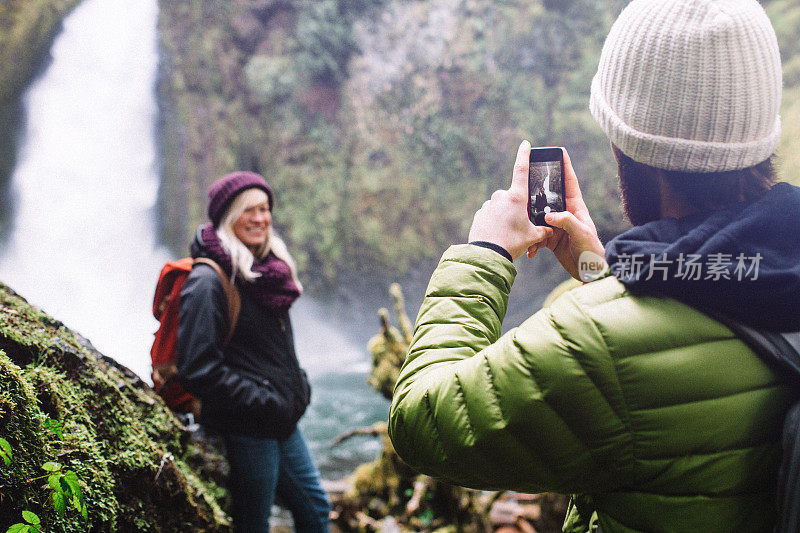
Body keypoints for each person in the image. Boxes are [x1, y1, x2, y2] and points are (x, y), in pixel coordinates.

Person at [388, 0, 800, 531]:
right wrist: (601, 277)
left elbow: (423, 422)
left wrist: (484, 254)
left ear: (625, 147)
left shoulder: (597, 344)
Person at [176, 171, 330, 532]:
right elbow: (196, 369)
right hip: (246, 426)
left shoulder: (268, 273)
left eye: (264, 209)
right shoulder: (208, 281)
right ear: (228, 216)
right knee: (253, 525)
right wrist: (263, 400)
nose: (260, 218)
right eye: (249, 210)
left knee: (316, 509)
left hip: (279, 420)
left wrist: (297, 386)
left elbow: (274, 350)